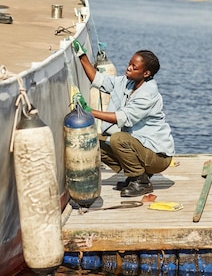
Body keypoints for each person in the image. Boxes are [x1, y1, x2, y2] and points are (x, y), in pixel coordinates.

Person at [73, 41, 175, 197]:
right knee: (93, 141)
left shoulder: (148, 94)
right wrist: (82, 55)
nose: (129, 68)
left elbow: (122, 118)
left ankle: (141, 181)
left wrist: (89, 111)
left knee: (118, 139)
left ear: (146, 73)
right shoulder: (126, 83)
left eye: (134, 67)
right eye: (129, 64)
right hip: (140, 147)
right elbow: (99, 80)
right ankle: (136, 175)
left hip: (158, 156)